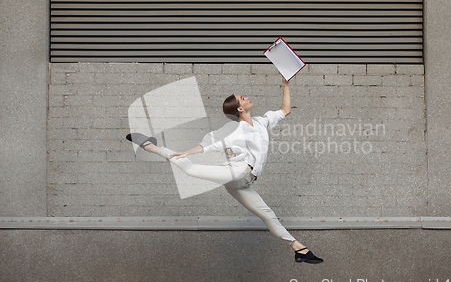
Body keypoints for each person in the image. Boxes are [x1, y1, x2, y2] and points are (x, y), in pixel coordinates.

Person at [126, 76, 323, 264]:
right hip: (237, 171)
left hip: (243, 182)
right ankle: (150, 147)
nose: (246, 97)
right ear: (239, 108)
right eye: (242, 98)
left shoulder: (262, 122)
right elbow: (210, 144)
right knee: (190, 169)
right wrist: (189, 151)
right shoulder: (234, 129)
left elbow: (285, 110)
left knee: (267, 214)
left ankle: (299, 250)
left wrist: (285, 84)